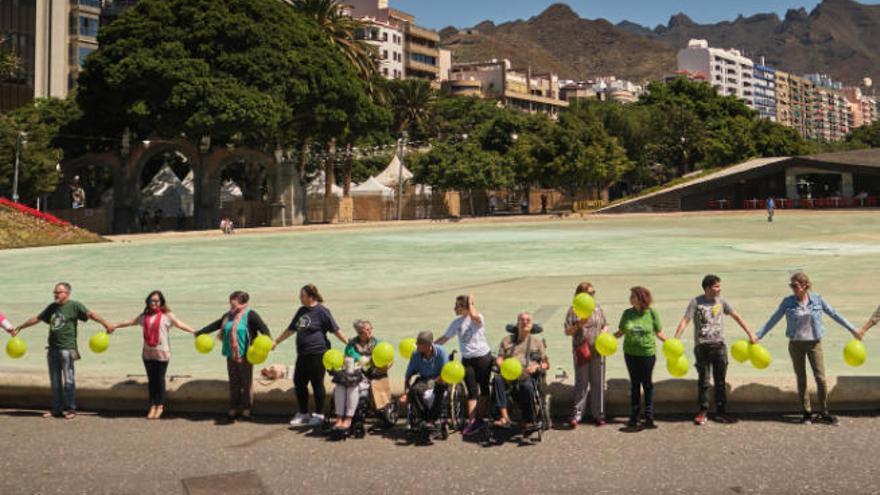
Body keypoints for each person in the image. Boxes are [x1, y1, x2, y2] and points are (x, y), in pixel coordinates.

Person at [757, 272, 857, 425]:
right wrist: (758, 336)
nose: (792, 288)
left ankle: (824, 411)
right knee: (801, 378)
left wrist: (853, 329)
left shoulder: (817, 299)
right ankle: (807, 412)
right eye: (791, 285)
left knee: (821, 378)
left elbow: (835, 314)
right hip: (796, 344)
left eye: (795, 285)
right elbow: (774, 318)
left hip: (814, 343)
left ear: (805, 285)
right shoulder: (787, 302)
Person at [13, 282, 114, 420]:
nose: (56, 294)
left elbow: (91, 315)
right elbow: (37, 318)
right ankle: (56, 409)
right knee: (55, 382)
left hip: (67, 349)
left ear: (67, 293)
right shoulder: (52, 307)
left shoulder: (74, 306)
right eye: (55, 292)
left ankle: (71, 409)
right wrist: (21, 326)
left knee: (69, 381)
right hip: (52, 349)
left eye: (59, 292)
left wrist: (106, 323)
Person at [673, 275, 757, 425]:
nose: (720, 289)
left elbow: (736, 316)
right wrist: (676, 339)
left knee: (720, 381)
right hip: (702, 346)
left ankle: (721, 412)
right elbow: (686, 320)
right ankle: (702, 411)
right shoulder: (696, 302)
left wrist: (750, 333)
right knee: (704, 381)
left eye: (719, 286)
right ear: (707, 288)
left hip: (719, 346)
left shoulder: (722, 302)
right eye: (717, 286)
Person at [110, 291, 195, 419]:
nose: (154, 303)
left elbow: (179, 324)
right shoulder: (144, 316)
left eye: (157, 301)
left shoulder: (167, 316)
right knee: (152, 380)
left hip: (162, 353)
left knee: (160, 380)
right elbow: (130, 321)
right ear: (148, 302)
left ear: (161, 302)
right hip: (148, 353)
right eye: (152, 300)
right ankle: (152, 405)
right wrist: (115, 325)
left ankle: (159, 406)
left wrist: (194, 331)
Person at [273, 284, 347, 427]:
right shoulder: (301, 311)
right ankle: (303, 413)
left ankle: (319, 414)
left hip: (318, 353)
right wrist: (276, 341)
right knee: (299, 382)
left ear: (311, 297)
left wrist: (349, 343)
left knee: (317, 383)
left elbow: (335, 330)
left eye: (302, 296)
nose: (300, 298)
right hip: (303, 353)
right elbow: (291, 329)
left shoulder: (322, 311)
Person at [195, 291, 271, 420]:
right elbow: (216, 325)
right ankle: (233, 407)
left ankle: (247, 408)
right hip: (230, 354)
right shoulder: (228, 316)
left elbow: (264, 330)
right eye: (230, 302)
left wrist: (266, 343)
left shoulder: (250, 315)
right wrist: (200, 332)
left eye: (233, 302)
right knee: (234, 382)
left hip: (246, 355)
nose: (231, 305)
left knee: (246, 383)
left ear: (242, 302)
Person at [435, 295, 492, 435]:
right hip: (467, 360)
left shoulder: (478, 317)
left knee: (484, 389)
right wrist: (430, 346)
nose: (454, 308)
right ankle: (473, 422)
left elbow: (473, 314)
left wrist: (471, 301)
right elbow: (445, 338)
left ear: (465, 308)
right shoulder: (456, 323)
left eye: (457, 306)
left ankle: (481, 418)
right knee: (472, 391)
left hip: (483, 357)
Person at [614, 286, 668, 429]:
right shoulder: (627, 313)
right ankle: (634, 415)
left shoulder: (651, 313)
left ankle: (649, 416)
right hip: (630, 353)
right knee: (634, 384)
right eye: (630, 296)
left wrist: (671, 343)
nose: (630, 299)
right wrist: (606, 340)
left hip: (647, 354)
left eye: (633, 296)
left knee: (647, 384)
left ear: (641, 298)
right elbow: (620, 332)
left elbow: (659, 332)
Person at [330, 320, 391, 431]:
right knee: (340, 386)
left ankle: (348, 419)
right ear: (359, 333)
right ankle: (339, 419)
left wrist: (382, 368)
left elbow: (389, 360)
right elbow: (345, 360)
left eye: (369, 329)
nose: (368, 332)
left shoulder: (378, 344)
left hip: (371, 376)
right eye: (365, 330)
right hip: (354, 374)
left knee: (354, 387)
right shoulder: (351, 345)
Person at [492, 312, 549, 430]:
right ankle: (504, 417)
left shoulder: (537, 342)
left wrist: (536, 367)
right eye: (522, 320)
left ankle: (528, 419)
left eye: (528, 320)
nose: (525, 322)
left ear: (532, 325)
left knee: (527, 386)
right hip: (509, 375)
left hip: (527, 375)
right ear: (517, 323)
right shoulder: (507, 340)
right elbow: (499, 358)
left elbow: (546, 364)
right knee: (497, 379)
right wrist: (502, 364)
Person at [564, 282, 609, 429]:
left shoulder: (597, 308)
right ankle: (577, 415)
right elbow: (567, 331)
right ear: (581, 294)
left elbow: (605, 324)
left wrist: (604, 332)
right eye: (589, 293)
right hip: (581, 349)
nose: (592, 296)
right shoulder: (573, 310)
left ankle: (599, 414)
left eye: (593, 293)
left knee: (598, 383)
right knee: (581, 383)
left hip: (598, 349)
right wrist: (578, 325)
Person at [401, 331, 449, 427]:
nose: (417, 346)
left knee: (439, 391)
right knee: (415, 391)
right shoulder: (415, 354)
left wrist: (436, 381)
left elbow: (446, 372)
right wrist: (406, 391)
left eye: (419, 344)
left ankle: (431, 419)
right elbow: (409, 374)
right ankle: (424, 418)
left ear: (428, 345)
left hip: (440, 378)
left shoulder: (441, 352)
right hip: (424, 379)